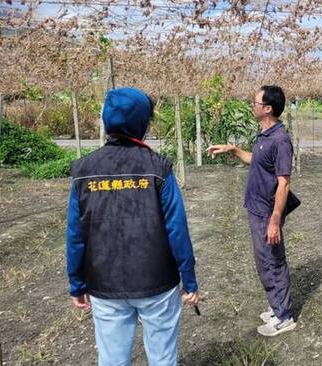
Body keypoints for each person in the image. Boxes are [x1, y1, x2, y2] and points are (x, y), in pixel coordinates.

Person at [65, 87, 199, 366]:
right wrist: (189, 279)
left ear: (106, 120)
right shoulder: (158, 168)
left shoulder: (84, 170)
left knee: (113, 360)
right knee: (163, 358)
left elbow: (76, 235)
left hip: (104, 283)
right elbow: (177, 228)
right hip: (157, 282)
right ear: (143, 123)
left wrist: (77, 284)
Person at [207, 85, 297, 337]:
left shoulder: (280, 140)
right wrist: (233, 150)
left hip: (268, 213)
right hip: (256, 210)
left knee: (273, 261)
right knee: (263, 261)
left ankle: (284, 316)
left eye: (255, 102)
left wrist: (275, 221)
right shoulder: (265, 135)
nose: (252, 106)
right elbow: (255, 161)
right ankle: (276, 305)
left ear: (268, 108)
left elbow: (284, 182)